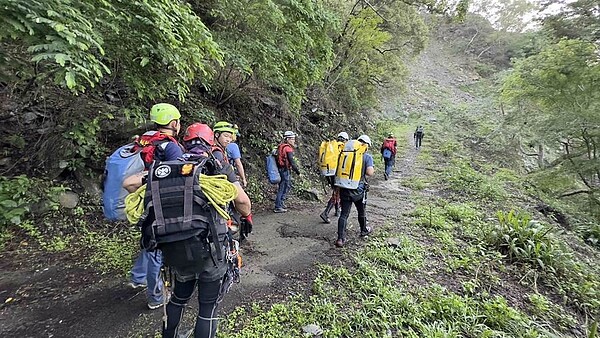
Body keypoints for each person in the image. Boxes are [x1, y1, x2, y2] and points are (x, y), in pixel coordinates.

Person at [123, 123, 253, 338]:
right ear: (211, 142)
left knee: (178, 299)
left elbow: (129, 183)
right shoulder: (215, 167)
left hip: (175, 249)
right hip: (210, 249)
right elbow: (243, 202)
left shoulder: (168, 168)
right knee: (207, 307)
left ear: (185, 143)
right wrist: (243, 216)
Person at [128, 103, 184, 310]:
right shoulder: (171, 146)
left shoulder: (145, 139)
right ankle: (156, 296)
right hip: (159, 201)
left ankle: (137, 277)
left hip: (142, 197)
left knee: (148, 240)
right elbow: (176, 176)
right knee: (157, 248)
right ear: (173, 123)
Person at [335, 134, 374, 248]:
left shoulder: (345, 154)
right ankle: (363, 230)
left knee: (344, 214)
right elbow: (370, 172)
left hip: (344, 189)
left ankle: (340, 239)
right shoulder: (366, 157)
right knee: (361, 211)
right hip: (358, 191)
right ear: (366, 145)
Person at [319, 132, 349, 223]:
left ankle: (337, 210)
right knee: (336, 193)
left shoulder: (332, 147)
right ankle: (326, 213)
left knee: (336, 192)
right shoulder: (342, 148)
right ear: (346, 140)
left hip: (329, 173)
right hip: (338, 174)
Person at [274, 131, 300, 213]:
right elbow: (292, 162)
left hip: (281, 169)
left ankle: (281, 203)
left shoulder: (281, 146)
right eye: (292, 139)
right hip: (285, 170)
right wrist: (298, 172)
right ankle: (278, 206)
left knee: (287, 186)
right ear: (287, 139)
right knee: (283, 187)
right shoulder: (288, 149)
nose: (294, 140)